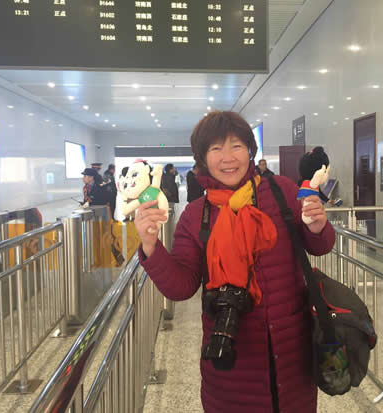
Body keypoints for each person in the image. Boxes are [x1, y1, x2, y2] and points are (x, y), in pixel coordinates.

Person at [134, 111, 334, 413]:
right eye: (216, 148)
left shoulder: (282, 192)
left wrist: (318, 227)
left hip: (292, 355)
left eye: (236, 146)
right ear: (203, 158)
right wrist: (151, 246)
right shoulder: (196, 215)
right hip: (231, 363)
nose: (228, 158)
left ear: (250, 151)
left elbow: (320, 246)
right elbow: (181, 287)